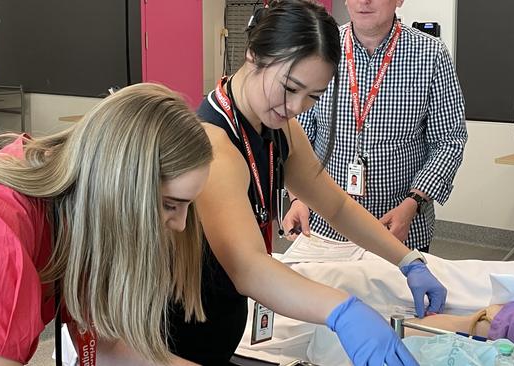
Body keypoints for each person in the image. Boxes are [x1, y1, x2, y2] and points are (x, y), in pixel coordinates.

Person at [167, 1, 446, 365]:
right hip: (181, 341)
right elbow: (248, 268)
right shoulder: (215, 144)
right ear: (254, 55)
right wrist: (343, 311)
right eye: (290, 88)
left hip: (222, 327)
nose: (296, 107)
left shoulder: (276, 125)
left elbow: (335, 205)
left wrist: (407, 259)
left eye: (313, 96)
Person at [0, 83, 213, 366]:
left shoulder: (79, 214)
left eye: (187, 206)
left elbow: (107, 346)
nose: (180, 225)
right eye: (170, 204)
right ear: (118, 187)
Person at [283, 0, 467, 251]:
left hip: (399, 229)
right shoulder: (321, 48)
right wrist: (297, 199)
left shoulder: (430, 55)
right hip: (324, 229)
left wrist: (412, 203)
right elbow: (296, 136)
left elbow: (449, 141)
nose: (364, 1)